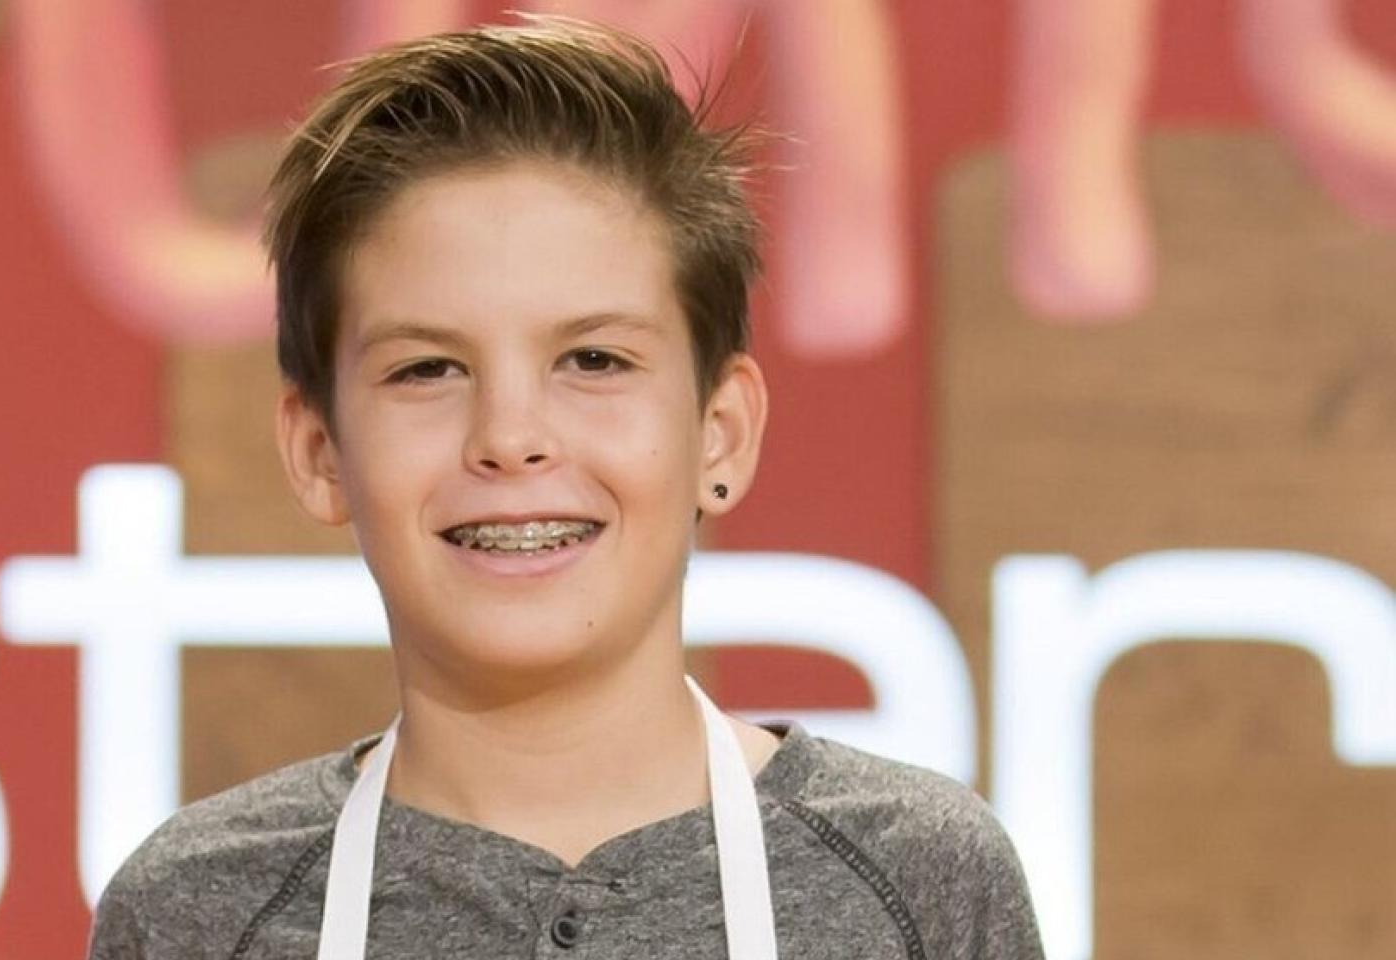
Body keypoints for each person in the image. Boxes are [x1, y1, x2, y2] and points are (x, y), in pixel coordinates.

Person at [89, 16, 1044, 960]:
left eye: (593, 360)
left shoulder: (918, 881)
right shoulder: (196, 915)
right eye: (427, 369)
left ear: (721, 431)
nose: (510, 439)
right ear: (318, 451)